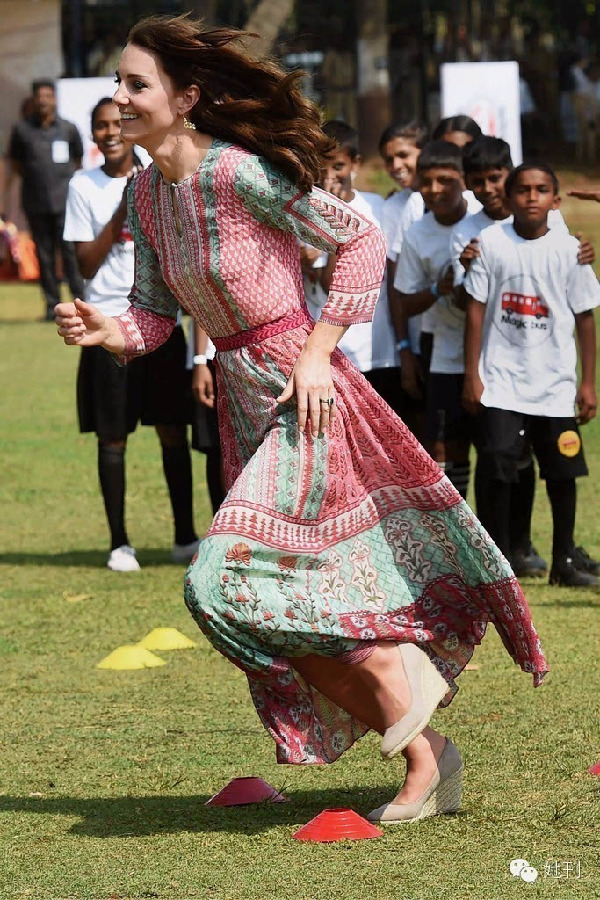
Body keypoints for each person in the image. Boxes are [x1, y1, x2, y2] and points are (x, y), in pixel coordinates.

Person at [55, 16, 547, 824]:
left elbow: (357, 241)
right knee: (277, 603)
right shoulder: (145, 193)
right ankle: (425, 750)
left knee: (220, 586)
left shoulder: (239, 173)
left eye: (135, 84)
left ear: (186, 98)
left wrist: (318, 352)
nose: (118, 98)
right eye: (117, 83)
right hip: (242, 405)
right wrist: (110, 332)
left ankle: (412, 720)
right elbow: (150, 313)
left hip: (300, 396)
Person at [63, 97, 199, 571]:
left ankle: (185, 536)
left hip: (159, 322)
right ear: (93, 135)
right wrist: (123, 212)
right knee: (113, 436)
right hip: (107, 324)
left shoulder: (159, 176)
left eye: (115, 122)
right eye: (100, 126)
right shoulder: (83, 185)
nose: (110, 132)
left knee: (171, 431)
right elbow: (84, 263)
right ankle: (119, 542)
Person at [452, 137, 594, 577]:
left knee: (562, 471)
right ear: (509, 197)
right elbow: (475, 311)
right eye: (523, 190)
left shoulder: (570, 249)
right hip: (501, 382)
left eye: (541, 190)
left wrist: (587, 382)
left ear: (555, 200)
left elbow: (585, 317)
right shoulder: (490, 242)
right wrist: (473, 375)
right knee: (497, 465)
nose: (532, 197)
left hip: (553, 384)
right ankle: (498, 558)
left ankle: (565, 558)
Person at [393, 141, 479, 499]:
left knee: (500, 446)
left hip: (494, 349)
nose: (435, 190)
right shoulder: (417, 232)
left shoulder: (482, 216)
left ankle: (510, 538)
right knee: (444, 445)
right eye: (427, 181)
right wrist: (437, 290)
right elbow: (404, 301)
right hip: (442, 347)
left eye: (445, 180)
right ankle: (459, 528)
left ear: (463, 180)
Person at [303, 121, 401, 416]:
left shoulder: (378, 209)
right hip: (327, 352)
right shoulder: (301, 211)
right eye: (321, 166)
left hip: (376, 350)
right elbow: (324, 285)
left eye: (337, 166)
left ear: (354, 164)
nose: (328, 175)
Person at [5, 80, 84, 320]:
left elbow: (78, 160)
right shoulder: (22, 130)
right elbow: (16, 164)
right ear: (33, 99)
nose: (44, 101)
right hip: (36, 203)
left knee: (70, 253)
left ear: (55, 99)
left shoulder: (68, 129)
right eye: (40, 96)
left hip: (65, 203)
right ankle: (52, 306)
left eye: (48, 96)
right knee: (45, 255)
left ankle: (81, 301)